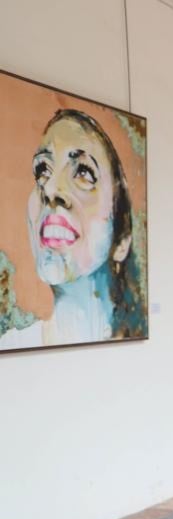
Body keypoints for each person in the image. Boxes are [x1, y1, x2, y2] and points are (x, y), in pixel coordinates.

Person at [2, 109, 145, 349]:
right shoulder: (13, 344)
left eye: (83, 172)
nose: (49, 188)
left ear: (122, 239)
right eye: (43, 170)